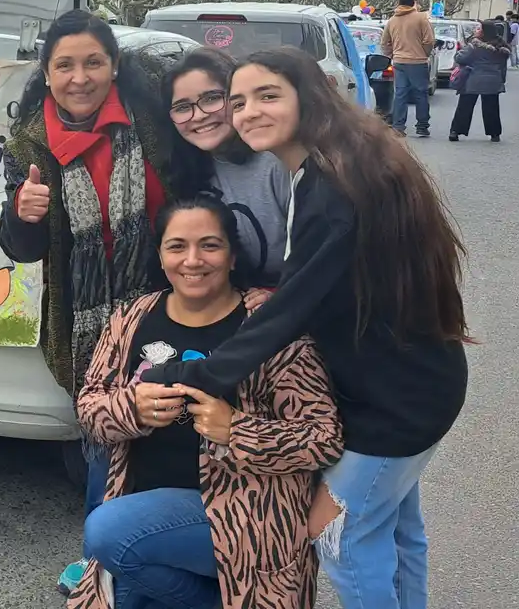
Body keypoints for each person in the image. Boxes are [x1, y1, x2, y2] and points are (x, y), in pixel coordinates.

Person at [141, 47, 470, 609]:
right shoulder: (335, 162)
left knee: (338, 537)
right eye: (240, 100)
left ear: (308, 95)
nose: (248, 112)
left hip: (396, 401)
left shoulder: (333, 189)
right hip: (414, 377)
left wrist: (187, 375)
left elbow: (291, 307)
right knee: (395, 530)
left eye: (267, 96)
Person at [0, 9, 187, 593]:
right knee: (104, 439)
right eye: (65, 65)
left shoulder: (154, 121)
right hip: (86, 324)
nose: (80, 77)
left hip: (167, 307)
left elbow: (194, 196)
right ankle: (100, 558)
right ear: (47, 74)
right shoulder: (29, 142)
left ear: (115, 65)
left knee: (173, 430)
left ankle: (160, 552)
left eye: (93, 62)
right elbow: (22, 248)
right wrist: (21, 217)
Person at [68, 195, 342, 609]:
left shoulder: (269, 328)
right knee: (118, 575)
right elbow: (89, 407)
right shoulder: (132, 318)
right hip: (151, 518)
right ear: (160, 256)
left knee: (107, 532)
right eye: (177, 246)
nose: (193, 260)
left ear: (233, 257)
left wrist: (237, 430)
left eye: (210, 245)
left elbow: (323, 438)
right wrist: (131, 409)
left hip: (244, 519)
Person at [163, 48, 289, 286]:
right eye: (182, 107)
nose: (198, 115)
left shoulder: (277, 163)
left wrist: (276, 296)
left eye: (211, 98)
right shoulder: (183, 172)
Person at [379, 0, 435, 137]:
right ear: (414, 2)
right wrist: (424, 53)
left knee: (400, 94)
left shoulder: (392, 20)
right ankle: (422, 126)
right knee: (420, 94)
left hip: (399, 61)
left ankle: (398, 126)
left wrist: (391, 54)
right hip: (417, 61)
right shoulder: (421, 18)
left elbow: (385, 42)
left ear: (399, 2)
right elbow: (429, 41)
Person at [449, 20, 511, 142]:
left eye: (478, 29)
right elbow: (503, 67)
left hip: (473, 79)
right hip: (493, 80)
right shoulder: (501, 48)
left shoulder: (474, 46)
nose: (476, 30)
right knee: (491, 108)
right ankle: (494, 133)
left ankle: (456, 131)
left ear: (484, 32)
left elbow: (460, 58)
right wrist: (501, 80)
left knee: (465, 106)